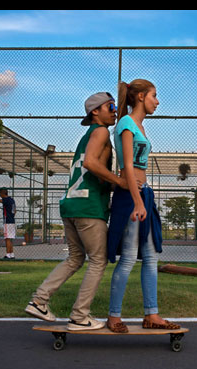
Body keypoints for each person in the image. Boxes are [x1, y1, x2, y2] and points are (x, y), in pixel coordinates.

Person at [24, 92, 134, 330]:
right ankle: (79, 316)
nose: (115, 110)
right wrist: (121, 181)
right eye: (110, 106)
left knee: (75, 258)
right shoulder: (101, 131)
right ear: (96, 111)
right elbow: (91, 164)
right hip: (88, 206)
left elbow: (92, 169)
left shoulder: (88, 136)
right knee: (97, 260)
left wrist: (109, 182)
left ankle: (39, 301)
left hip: (71, 204)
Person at [106, 79, 180, 333]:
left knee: (150, 256)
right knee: (127, 258)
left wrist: (144, 197)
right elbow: (127, 165)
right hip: (130, 196)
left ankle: (152, 315)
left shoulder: (140, 126)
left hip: (143, 194)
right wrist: (137, 201)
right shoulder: (126, 124)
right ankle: (114, 316)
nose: (157, 101)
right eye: (154, 96)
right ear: (140, 97)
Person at [0, 187, 17, 259]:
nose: (0, 195)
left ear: (3, 193)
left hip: (7, 221)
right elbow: (15, 211)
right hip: (12, 221)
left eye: (0, 193)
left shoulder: (6, 199)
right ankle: (12, 254)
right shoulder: (12, 200)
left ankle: (8, 254)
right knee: (10, 238)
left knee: (7, 238)